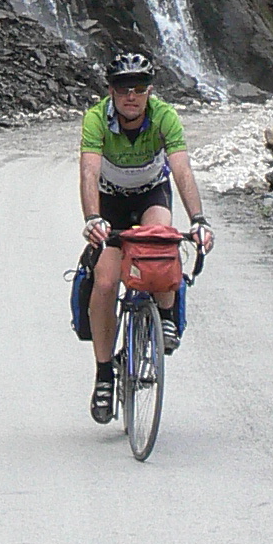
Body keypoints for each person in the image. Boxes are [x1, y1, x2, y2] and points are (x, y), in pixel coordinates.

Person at [78, 49, 210, 426]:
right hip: (111, 202)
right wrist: (92, 219)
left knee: (164, 241)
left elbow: (182, 170)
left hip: (152, 193)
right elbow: (88, 173)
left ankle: (165, 316)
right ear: (111, 92)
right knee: (104, 281)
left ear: (150, 91)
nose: (131, 95)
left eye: (138, 88)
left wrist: (199, 219)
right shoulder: (95, 120)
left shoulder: (165, 116)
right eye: (122, 89)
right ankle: (104, 374)